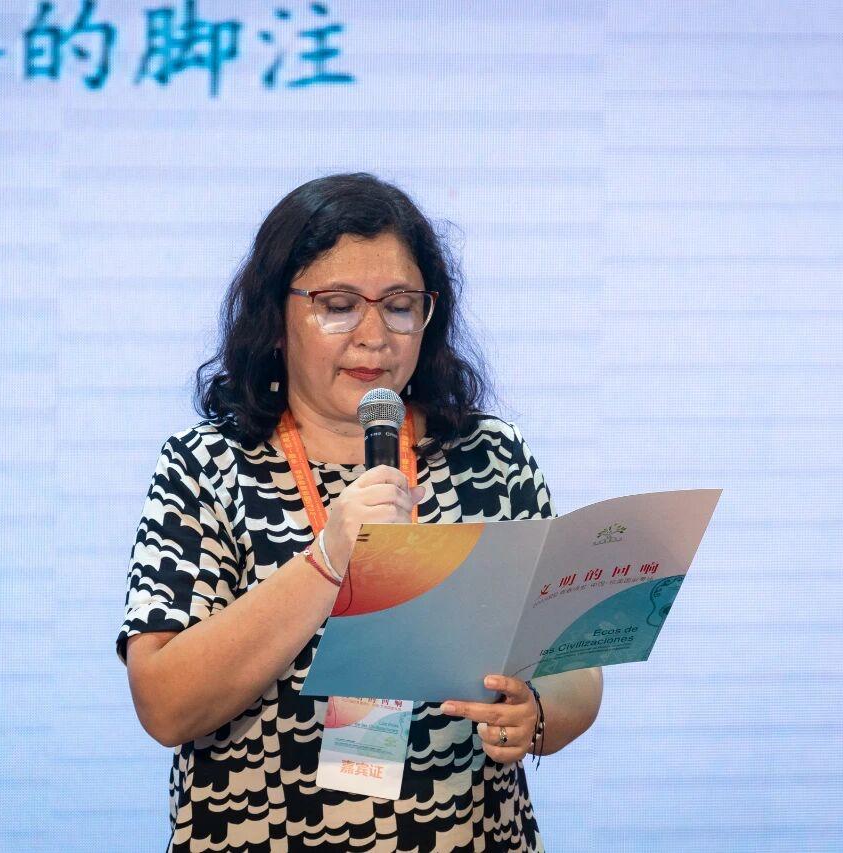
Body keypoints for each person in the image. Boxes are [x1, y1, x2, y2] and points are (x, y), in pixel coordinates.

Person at [118, 173, 603, 852]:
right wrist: (328, 560)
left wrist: (539, 712)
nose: (375, 337)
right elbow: (165, 704)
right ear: (275, 318)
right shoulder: (205, 466)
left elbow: (574, 663)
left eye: (400, 306)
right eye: (339, 306)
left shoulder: (490, 456)